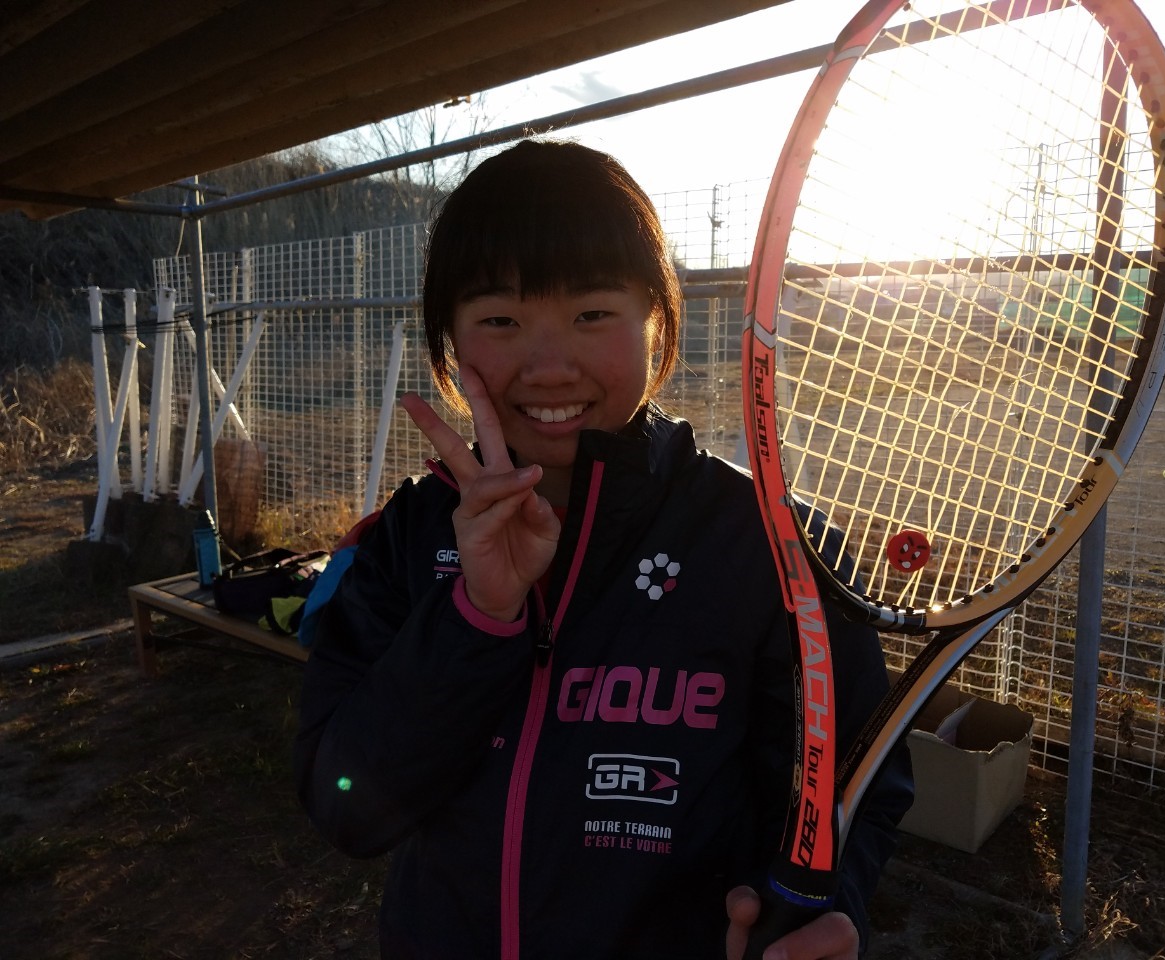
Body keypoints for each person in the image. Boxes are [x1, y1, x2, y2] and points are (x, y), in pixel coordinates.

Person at [293, 138, 913, 960]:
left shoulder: (768, 547)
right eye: (501, 320)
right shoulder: (408, 536)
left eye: (591, 314)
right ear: (450, 341)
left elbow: (854, 787)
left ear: (656, 320)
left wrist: (819, 912)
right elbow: (347, 808)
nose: (550, 367)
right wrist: (479, 615)